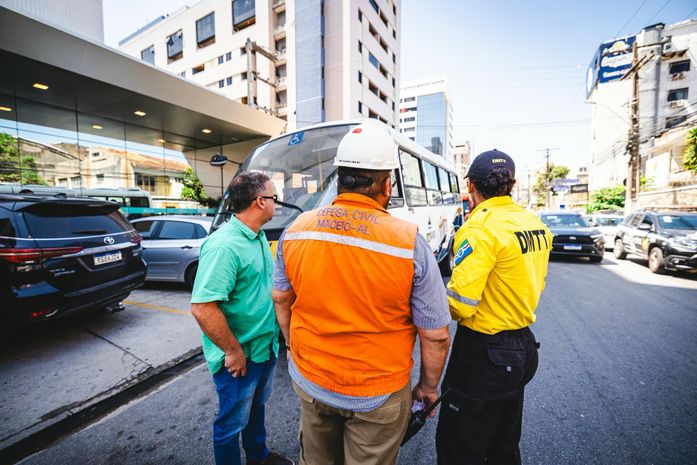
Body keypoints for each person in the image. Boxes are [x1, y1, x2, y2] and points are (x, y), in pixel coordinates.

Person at [272, 123, 452, 465]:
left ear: (340, 178)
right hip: (376, 393)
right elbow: (436, 335)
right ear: (387, 184)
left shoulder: (295, 230)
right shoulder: (408, 242)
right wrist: (428, 389)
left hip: (311, 380)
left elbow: (282, 299)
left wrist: (294, 347)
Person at [435, 149, 552, 465]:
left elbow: (461, 305)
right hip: (522, 347)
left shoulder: (479, 228)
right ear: (510, 184)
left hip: (484, 354)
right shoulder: (534, 223)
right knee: (503, 444)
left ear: (471, 185)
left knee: (458, 447)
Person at [190, 172, 294, 465]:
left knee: (255, 409)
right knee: (231, 423)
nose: (278, 204)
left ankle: (258, 457)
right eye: (275, 198)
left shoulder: (258, 236)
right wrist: (232, 351)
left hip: (264, 348)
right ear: (260, 201)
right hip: (240, 357)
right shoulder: (225, 245)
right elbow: (203, 308)